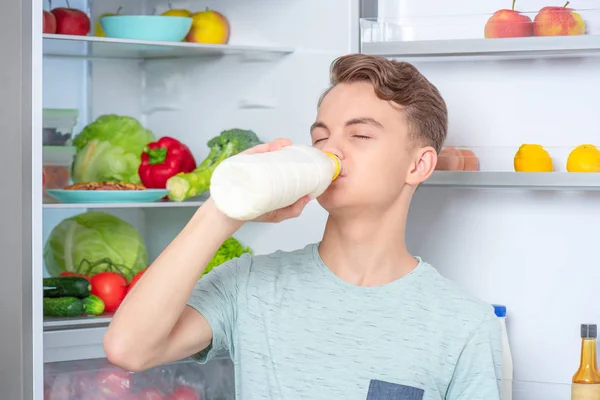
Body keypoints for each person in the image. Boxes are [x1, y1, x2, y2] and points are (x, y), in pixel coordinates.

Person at [104, 53, 502, 400]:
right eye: (320, 136)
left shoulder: (462, 324)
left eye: (360, 134)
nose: (331, 150)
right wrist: (224, 209)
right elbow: (128, 349)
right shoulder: (250, 285)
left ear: (419, 165)